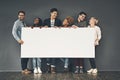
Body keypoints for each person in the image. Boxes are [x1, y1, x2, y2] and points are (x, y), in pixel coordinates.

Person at [43, 8, 62, 73]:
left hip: (55, 40)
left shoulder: (59, 21)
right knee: (48, 54)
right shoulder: (46, 21)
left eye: (56, 14)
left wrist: (58, 28)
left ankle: (53, 68)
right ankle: (48, 68)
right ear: (51, 13)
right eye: (54, 13)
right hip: (47, 40)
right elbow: (41, 30)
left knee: (54, 53)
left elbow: (62, 30)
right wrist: (44, 27)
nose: (55, 15)